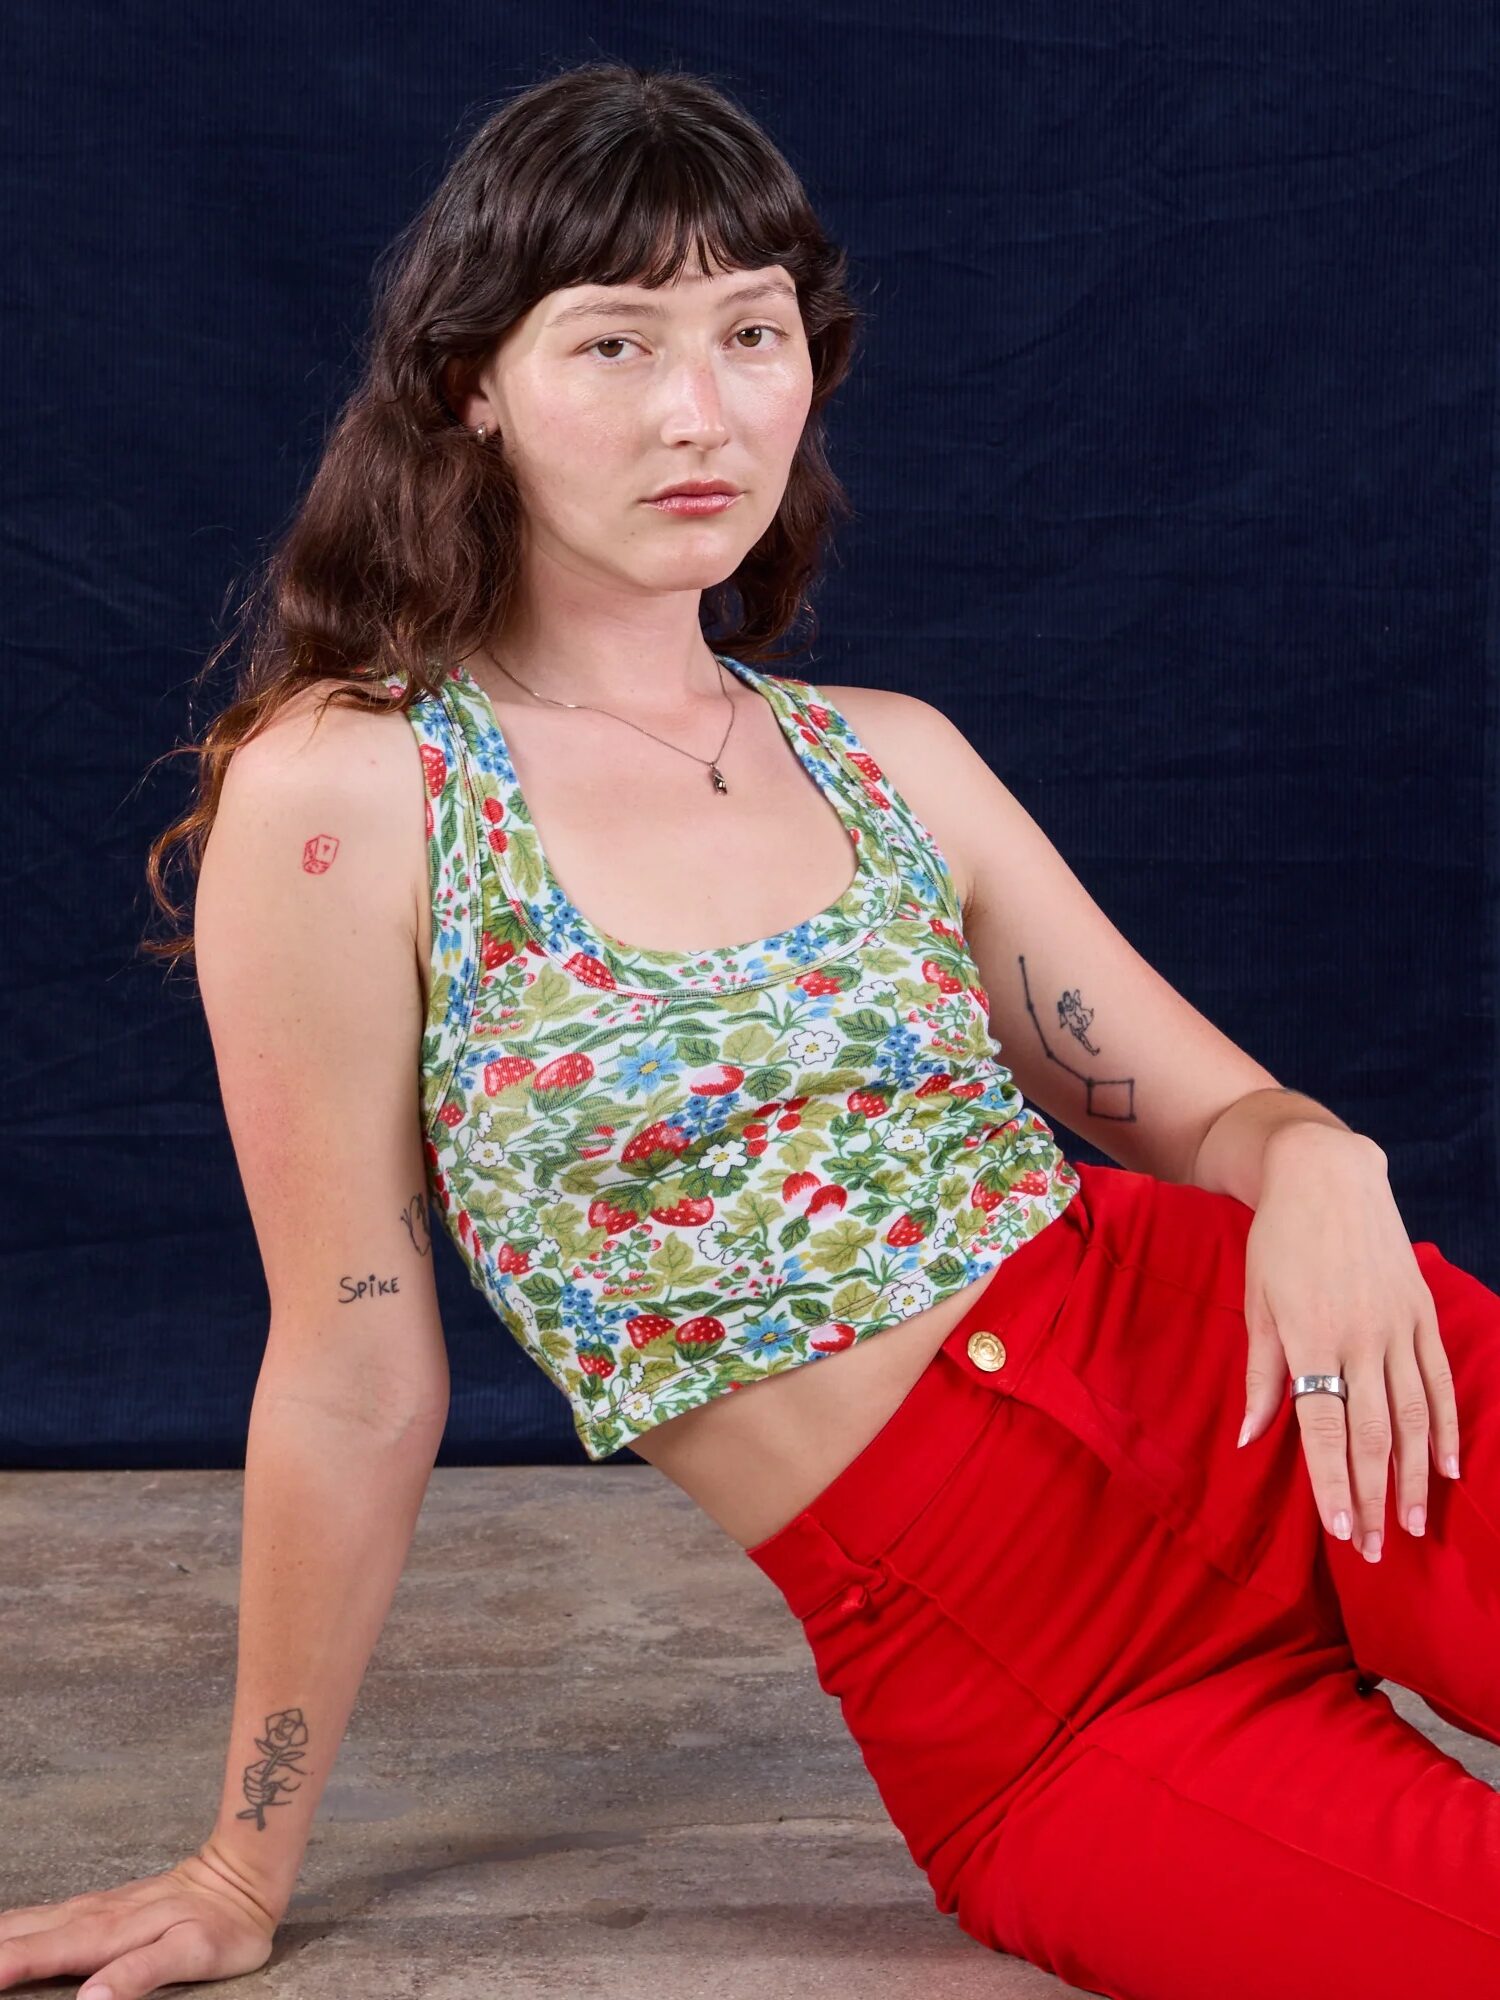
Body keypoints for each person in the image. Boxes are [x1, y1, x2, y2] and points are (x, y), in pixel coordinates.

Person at [5, 55, 1499, 2000]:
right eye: (613, 342)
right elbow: (355, 1372)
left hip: (1324, 1407)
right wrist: (237, 1860)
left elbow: (1218, 1115)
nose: (698, 410)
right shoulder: (352, 794)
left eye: (751, 332)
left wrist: (1317, 1157)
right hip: (1048, 1701)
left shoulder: (893, 760)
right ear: (471, 383)